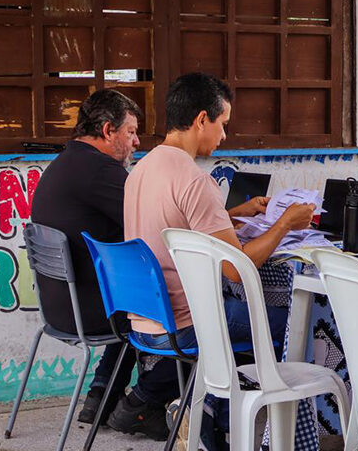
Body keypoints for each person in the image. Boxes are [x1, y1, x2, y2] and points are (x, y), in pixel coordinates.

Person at [115, 73, 315, 438]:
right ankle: (264, 427)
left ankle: (211, 413)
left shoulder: (139, 170)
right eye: (222, 124)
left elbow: (177, 227)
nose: (224, 136)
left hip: (144, 318)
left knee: (254, 318)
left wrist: (234, 215)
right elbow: (237, 270)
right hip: (186, 321)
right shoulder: (194, 180)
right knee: (292, 325)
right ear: (201, 119)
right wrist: (285, 222)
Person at [29, 89, 178, 428]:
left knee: (133, 296)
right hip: (92, 309)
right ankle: (145, 402)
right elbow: (153, 224)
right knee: (183, 307)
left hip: (61, 306)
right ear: (109, 131)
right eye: (131, 132)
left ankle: (100, 396)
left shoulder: (69, 161)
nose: (137, 141)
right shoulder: (99, 170)